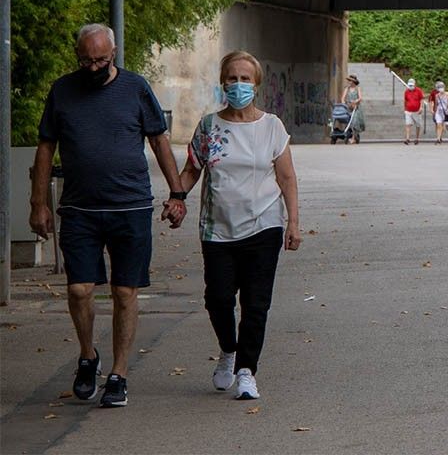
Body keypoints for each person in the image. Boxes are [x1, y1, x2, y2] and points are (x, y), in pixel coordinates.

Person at [28, 24, 185, 408]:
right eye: (86, 60)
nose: (93, 66)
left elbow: (159, 139)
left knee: (124, 292)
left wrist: (177, 191)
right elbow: (46, 147)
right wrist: (38, 204)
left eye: (100, 59)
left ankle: (119, 372)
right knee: (80, 289)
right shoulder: (63, 90)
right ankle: (87, 356)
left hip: (129, 207)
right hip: (80, 209)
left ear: (113, 53)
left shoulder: (135, 88)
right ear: (77, 55)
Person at [166, 50, 301, 401]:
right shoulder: (210, 126)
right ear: (222, 83)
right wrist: (177, 198)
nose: (238, 84)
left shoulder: (272, 126)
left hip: (264, 226)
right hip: (218, 229)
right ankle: (229, 350)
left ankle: (246, 371)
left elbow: (286, 178)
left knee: (256, 304)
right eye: (232, 78)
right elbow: (193, 168)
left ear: (256, 84)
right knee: (219, 299)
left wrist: (294, 224)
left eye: (245, 78)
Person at [340, 75, 366, 143]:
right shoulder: (347, 89)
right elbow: (343, 98)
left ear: (353, 81)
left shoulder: (358, 88)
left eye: (350, 80)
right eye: (348, 80)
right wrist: (344, 104)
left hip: (356, 107)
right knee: (348, 121)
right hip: (348, 107)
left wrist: (355, 101)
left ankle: (353, 138)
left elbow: (360, 98)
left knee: (354, 121)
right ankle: (350, 134)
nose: (348, 82)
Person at [432, 80, 448, 144]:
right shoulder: (437, 95)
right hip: (439, 112)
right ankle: (438, 139)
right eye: (439, 87)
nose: (441, 88)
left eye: (442, 87)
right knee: (439, 125)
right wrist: (434, 112)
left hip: (446, 112)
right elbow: (436, 104)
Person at [403, 78, 424, 145]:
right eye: (409, 85)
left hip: (417, 111)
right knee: (408, 124)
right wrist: (405, 108)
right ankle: (407, 138)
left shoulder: (419, 91)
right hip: (408, 111)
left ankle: (417, 138)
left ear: (414, 84)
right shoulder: (406, 91)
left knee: (418, 125)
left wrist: (421, 107)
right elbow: (405, 100)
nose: (410, 87)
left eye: (412, 85)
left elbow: (422, 100)